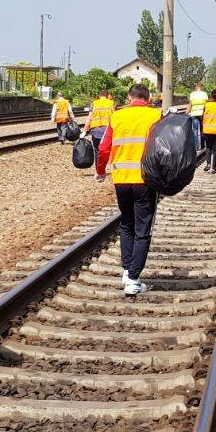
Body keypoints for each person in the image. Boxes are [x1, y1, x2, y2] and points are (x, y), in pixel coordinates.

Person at [95, 83, 163, 296]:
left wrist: (100, 171)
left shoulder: (117, 117)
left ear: (129, 97)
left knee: (126, 224)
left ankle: (126, 270)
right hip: (145, 180)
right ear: (148, 98)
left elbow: (103, 148)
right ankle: (133, 279)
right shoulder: (156, 115)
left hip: (121, 179)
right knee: (143, 228)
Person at [201, 89, 216, 172]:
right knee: (215, 149)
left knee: (208, 147)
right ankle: (214, 168)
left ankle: (208, 163)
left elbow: (202, 117)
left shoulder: (206, 105)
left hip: (207, 130)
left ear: (211, 96)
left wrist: (202, 129)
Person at [187, 83, 209, 151]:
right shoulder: (204, 94)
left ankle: (196, 146)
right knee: (202, 130)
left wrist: (187, 112)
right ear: (201, 87)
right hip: (202, 114)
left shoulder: (192, 94)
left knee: (195, 130)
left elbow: (190, 105)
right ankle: (202, 145)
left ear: (196, 88)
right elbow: (206, 105)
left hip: (194, 114)